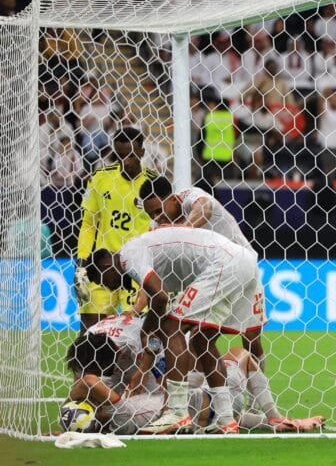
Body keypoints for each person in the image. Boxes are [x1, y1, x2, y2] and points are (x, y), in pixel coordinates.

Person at [85, 224, 266, 434]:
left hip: (224, 263)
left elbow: (160, 297)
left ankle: (177, 411)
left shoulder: (128, 255)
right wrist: (150, 335)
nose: (111, 288)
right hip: (244, 262)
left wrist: (146, 330)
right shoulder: (151, 257)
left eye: (104, 281)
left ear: (106, 264)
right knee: (201, 341)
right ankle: (226, 418)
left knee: (174, 327)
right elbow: (159, 301)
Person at [138, 176, 267, 372]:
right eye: (151, 214)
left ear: (173, 199)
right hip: (213, 280)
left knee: (251, 338)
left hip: (244, 269)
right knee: (199, 340)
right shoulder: (157, 229)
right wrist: (135, 309)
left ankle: (258, 397)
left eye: (158, 210)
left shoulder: (192, 196)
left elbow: (204, 209)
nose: (157, 218)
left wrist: (182, 230)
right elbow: (153, 276)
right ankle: (209, 395)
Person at [74, 127, 157, 332]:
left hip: (137, 270)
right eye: (120, 156)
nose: (125, 162)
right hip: (103, 267)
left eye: (130, 156)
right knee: (91, 332)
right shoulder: (100, 179)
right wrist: (82, 264)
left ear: (142, 152)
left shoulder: (154, 184)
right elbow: (88, 224)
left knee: (136, 333)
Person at [66, 314, 164, 434]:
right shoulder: (86, 347)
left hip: (145, 362)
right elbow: (85, 382)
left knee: (156, 397)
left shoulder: (132, 341)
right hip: (115, 364)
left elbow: (155, 342)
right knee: (95, 398)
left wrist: (143, 371)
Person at [187, 346, 324, 433]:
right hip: (216, 400)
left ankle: (275, 423)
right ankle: (274, 416)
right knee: (240, 353)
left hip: (194, 413)